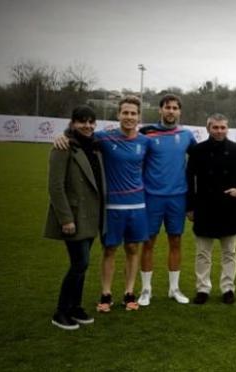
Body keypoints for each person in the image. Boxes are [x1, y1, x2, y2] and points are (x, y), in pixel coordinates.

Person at [54, 96, 150, 312]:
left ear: (139, 117)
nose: (129, 117)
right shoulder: (104, 139)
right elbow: (80, 134)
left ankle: (129, 292)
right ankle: (106, 294)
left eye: (133, 113)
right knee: (109, 249)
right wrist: (62, 135)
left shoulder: (145, 141)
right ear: (118, 115)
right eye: (125, 113)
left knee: (133, 248)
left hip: (137, 205)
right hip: (112, 206)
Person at [45, 105, 104, 330]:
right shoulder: (63, 147)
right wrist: (65, 219)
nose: (87, 126)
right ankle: (61, 311)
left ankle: (75, 308)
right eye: (82, 122)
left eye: (91, 122)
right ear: (72, 123)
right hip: (74, 217)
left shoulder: (96, 146)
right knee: (80, 263)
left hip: (92, 215)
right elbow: (55, 187)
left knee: (81, 264)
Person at [186, 113, 236, 305]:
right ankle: (202, 289)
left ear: (227, 128)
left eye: (222, 127)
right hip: (204, 207)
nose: (219, 131)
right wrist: (190, 207)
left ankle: (228, 288)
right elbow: (189, 180)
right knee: (202, 253)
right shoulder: (197, 151)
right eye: (215, 127)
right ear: (208, 128)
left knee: (229, 252)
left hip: (228, 207)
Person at [137, 94, 197, 306]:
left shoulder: (187, 135)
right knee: (148, 243)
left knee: (176, 241)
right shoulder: (145, 133)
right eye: (167, 107)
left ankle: (174, 288)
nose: (171, 111)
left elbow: (201, 161)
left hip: (178, 198)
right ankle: (146, 290)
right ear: (160, 110)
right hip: (151, 197)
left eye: (175, 108)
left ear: (179, 112)